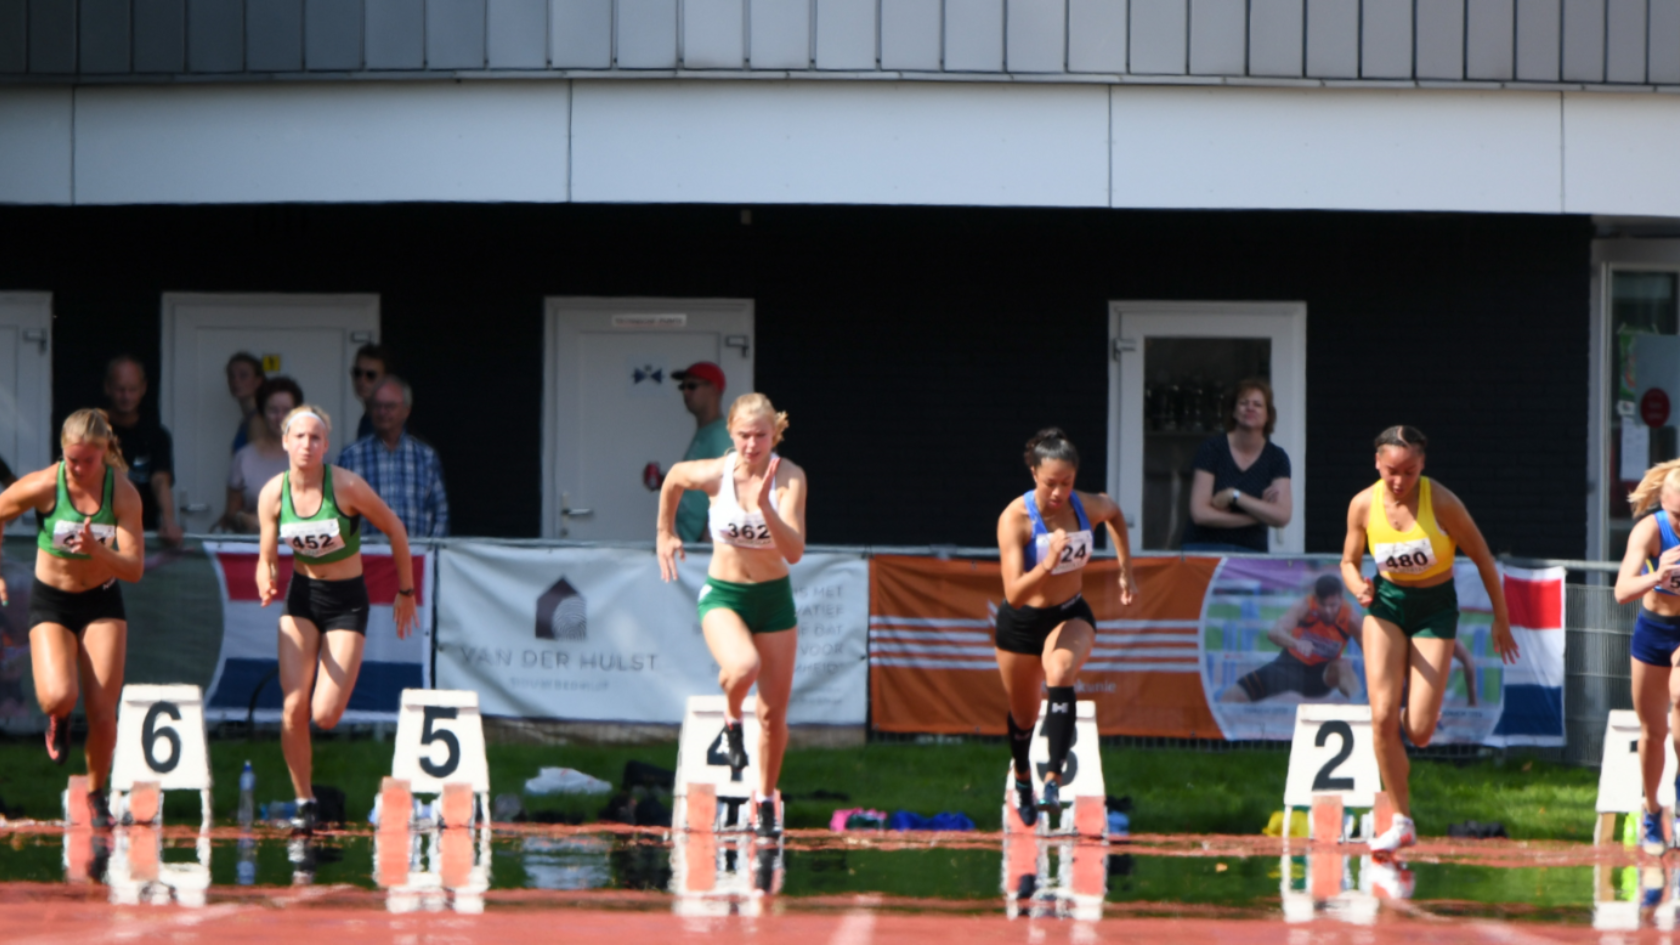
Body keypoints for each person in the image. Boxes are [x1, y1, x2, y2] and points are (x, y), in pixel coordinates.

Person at [1339, 425, 1517, 856]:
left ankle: (1394, 737)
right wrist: (1356, 586)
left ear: (1423, 466)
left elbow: (1481, 555)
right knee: (1381, 716)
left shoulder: (1440, 501)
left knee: (1418, 731)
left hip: (1435, 608)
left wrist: (1502, 618)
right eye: (1391, 471)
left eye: (1410, 471)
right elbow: (1348, 560)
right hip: (1386, 605)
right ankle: (1401, 820)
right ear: (1376, 464)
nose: (1399, 482)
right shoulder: (1363, 504)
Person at [255, 405, 417, 835]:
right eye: (299, 437)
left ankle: (310, 791)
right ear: (286, 442)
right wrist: (266, 579)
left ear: (326, 446)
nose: (307, 445)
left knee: (324, 714)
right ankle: (304, 799)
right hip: (303, 598)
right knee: (293, 708)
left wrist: (406, 591)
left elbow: (396, 530)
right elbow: (266, 557)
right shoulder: (273, 493)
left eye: (315, 438)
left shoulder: (345, 486)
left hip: (346, 602)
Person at [656, 393, 807, 839]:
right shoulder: (715, 473)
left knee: (774, 715)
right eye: (743, 435)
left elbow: (795, 551)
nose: (751, 444)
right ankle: (730, 717)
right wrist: (664, 532)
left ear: (773, 434)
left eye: (761, 435)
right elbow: (674, 478)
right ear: (731, 434)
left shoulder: (789, 478)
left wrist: (764, 507)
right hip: (724, 595)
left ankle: (764, 799)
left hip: (774, 600)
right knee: (743, 666)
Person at [0, 410, 144, 828]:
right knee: (58, 696)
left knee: (103, 711)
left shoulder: (122, 495)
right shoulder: (47, 484)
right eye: (71, 460)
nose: (78, 469)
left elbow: (133, 569)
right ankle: (58, 718)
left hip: (101, 601)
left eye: (87, 461)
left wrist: (97, 549)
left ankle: (97, 794)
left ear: (104, 454)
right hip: (53, 602)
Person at [995, 429, 1135, 827]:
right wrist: (1047, 563)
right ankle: (1023, 780)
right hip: (1021, 624)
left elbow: (1114, 513)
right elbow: (1015, 595)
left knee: (1060, 671)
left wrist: (1126, 570)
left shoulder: (1083, 505)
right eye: (1050, 484)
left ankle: (1053, 780)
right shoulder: (1015, 520)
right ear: (1034, 474)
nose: (1058, 493)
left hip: (1070, 613)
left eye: (1067, 483)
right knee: (1022, 717)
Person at [1613, 459, 1680, 855]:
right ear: (1664, 504)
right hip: (1654, 630)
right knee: (1652, 732)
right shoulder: (1650, 530)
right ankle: (1653, 811)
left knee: (1679, 695)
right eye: (1677, 514)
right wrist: (1657, 574)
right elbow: (1622, 590)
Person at [1183, 379, 1293, 553]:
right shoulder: (1212, 449)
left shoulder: (1276, 458)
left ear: (1268, 416)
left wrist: (1234, 495)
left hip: (1250, 555)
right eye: (1243, 403)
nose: (1250, 408)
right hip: (1204, 551)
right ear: (1233, 412)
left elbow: (1282, 515)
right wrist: (1257, 516)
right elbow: (1200, 514)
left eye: (1257, 404)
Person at [337, 376, 449, 539]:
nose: (382, 412)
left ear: (406, 410)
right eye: (377, 406)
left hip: (416, 559)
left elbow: (441, 514)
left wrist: (428, 552)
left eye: (389, 406)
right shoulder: (350, 457)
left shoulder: (426, 458)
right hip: (366, 560)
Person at [1222, 575, 1359, 703]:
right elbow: (1274, 633)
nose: (1328, 610)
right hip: (1289, 666)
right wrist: (1297, 643)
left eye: (1333, 605)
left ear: (1341, 599)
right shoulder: (1304, 607)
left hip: (1321, 675)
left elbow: (1372, 651)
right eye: (1323, 605)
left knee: (1344, 665)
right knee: (1232, 696)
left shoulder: (1351, 619)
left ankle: (1362, 710)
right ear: (1316, 599)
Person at [104, 355, 183, 547]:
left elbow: (160, 480)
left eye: (132, 389)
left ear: (143, 388)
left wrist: (168, 521)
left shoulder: (157, 435)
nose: (126, 396)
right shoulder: (91, 432)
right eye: (120, 389)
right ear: (108, 388)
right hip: (97, 534)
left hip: (143, 534)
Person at [221, 377, 303, 534]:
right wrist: (243, 518)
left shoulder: (315, 457)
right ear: (262, 413)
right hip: (256, 550)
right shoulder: (244, 457)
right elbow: (230, 514)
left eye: (287, 411)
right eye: (273, 410)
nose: (280, 417)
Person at [672, 362, 733, 544]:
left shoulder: (720, 434)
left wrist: (706, 544)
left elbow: (732, 490)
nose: (685, 392)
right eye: (683, 387)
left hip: (704, 549)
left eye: (692, 386)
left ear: (713, 389)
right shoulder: (706, 431)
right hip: (691, 545)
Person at [226, 352, 266, 454]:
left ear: (258, 381)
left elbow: (259, 465)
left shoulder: (257, 421)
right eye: (231, 376)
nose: (235, 381)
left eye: (243, 375)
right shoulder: (247, 419)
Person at [350, 345, 390, 443]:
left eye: (371, 375)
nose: (362, 380)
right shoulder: (369, 417)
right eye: (357, 373)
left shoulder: (387, 420)